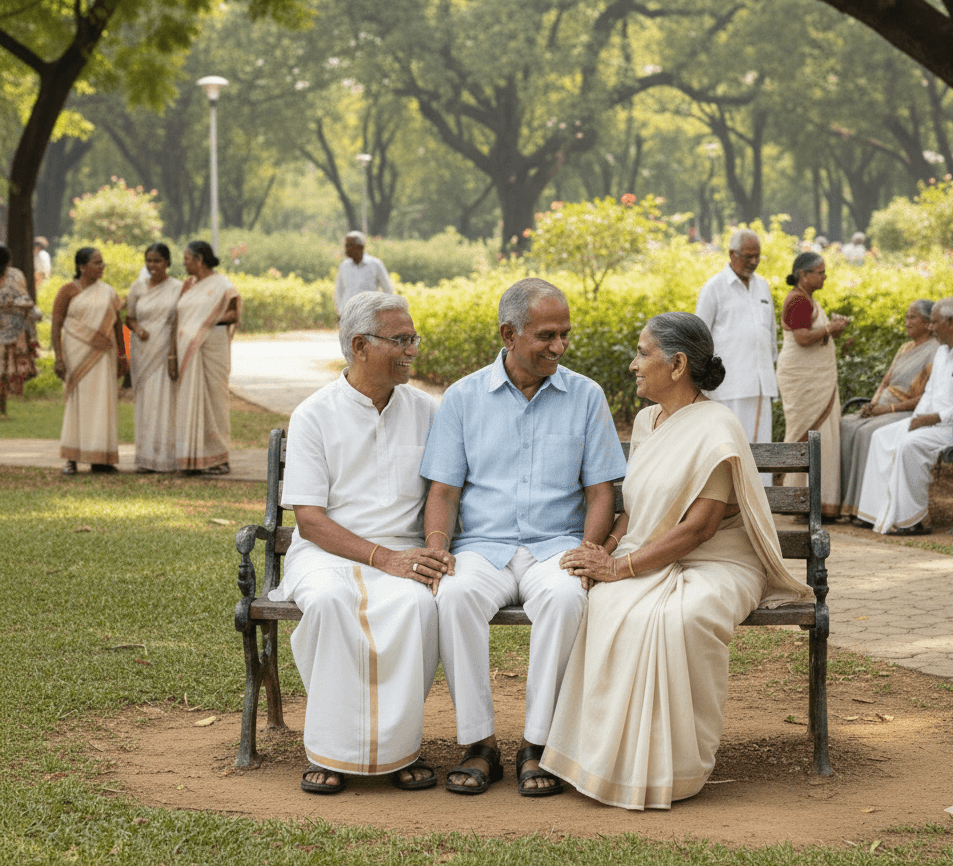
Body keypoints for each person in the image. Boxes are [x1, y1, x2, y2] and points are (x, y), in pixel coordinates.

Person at [541, 313, 812, 809]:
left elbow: (699, 528)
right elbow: (637, 509)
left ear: (678, 364)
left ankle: (676, 767)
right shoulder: (648, 421)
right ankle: (606, 761)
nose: (632, 364)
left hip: (720, 563)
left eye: (643, 353)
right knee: (605, 607)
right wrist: (608, 546)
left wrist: (622, 568)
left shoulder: (717, 427)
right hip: (650, 556)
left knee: (677, 618)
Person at [420, 278, 627, 797]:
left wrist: (587, 549)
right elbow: (443, 490)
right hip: (482, 549)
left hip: (555, 546)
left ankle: (538, 746)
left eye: (565, 335)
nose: (559, 347)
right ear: (509, 334)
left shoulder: (585, 395)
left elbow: (603, 492)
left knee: (563, 597)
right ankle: (480, 744)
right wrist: (439, 548)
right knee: (457, 594)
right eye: (546, 336)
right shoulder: (464, 397)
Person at [268, 292, 448, 794]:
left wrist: (424, 548)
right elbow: (309, 521)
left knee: (417, 607)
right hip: (326, 553)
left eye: (413, 338)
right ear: (360, 345)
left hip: (403, 552)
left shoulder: (425, 411)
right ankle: (331, 751)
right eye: (400, 340)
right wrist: (383, 558)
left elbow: (443, 492)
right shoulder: (314, 414)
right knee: (327, 604)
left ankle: (398, 751)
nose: (412, 349)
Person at [856, 298, 953, 535]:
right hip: (938, 424)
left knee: (911, 444)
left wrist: (936, 417)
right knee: (881, 436)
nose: (930, 328)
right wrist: (919, 418)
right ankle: (874, 513)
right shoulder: (943, 352)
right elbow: (931, 392)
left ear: (951, 322)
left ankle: (913, 520)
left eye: (934, 322)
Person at [839, 300, 939, 518]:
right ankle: (839, 502)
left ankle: (861, 507)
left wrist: (887, 409)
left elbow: (926, 397)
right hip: (882, 407)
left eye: (913, 317)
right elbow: (885, 382)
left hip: (905, 410)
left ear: (928, 322)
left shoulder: (936, 351)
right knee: (843, 425)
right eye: (906, 317)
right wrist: (873, 404)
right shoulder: (905, 348)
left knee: (867, 433)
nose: (907, 322)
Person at [695, 228, 778, 482]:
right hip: (728, 388)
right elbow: (700, 337)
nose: (753, 262)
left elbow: (772, 335)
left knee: (760, 453)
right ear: (732, 254)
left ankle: (759, 511)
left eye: (757, 256)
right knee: (728, 452)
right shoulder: (714, 288)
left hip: (761, 386)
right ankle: (729, 516)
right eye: (748, 256)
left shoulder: (762, 286)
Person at [775, 253, 849, 517]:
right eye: (819, 271)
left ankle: (816, 502)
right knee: (805, 432)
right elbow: (803, 338)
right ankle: (799, 500)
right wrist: (830, 329)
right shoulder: (798, 301)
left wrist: (833, 331)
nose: (824, 276)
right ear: (803, 275)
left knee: (822, 432)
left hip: (813, 376)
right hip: (802, 377)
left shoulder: (807, 300)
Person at [52, 248, 128, 474]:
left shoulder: (108, 292)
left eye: (102, 262)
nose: (102, 266)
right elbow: (56, 325)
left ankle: (101, 458)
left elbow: (117, 324)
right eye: (96, 263)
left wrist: (123, 354)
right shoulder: (67, 291)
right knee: (77, 403)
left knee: (103, 403)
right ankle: (72, 459)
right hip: (77, 354)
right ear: (82, 267)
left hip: (104, 355)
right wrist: (58, 357)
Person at [168, 241, 240, 475]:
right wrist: (172, 352)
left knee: (214, 402)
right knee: (188, 399)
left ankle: (218, 459)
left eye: (187, 258)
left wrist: (206, 322)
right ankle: (191, 457)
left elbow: (233, 313)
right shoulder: (188, 285)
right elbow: (178, 317)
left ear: (199, 259)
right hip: (187, 350)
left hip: (211, 349)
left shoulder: (222, 284)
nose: (184, 262)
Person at [124, 244, 182, 473]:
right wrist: (137, 329)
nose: (152, 265)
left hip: (166, 350)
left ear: (167, 262)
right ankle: (145, 458)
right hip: (143, 350)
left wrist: (174, 351)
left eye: (157, 261)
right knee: (146, 403)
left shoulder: (177, 287)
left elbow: (180, 318)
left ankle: (166, 458)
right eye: (148, 261)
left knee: (166, 402)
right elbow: (129, 317)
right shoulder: (137, 287)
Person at [0, 243, 40, 418]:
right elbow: (23, 299)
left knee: (4, 371)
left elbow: (23, 300)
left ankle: (2, 409)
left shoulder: (15, 275)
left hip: (11, 330)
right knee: (4, 371)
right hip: (13, 330)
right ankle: (2, 409)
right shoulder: (17, 275)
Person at [333, 231, 393, 318]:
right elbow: (339, 291)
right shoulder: (344, 266)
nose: (346, 249)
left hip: (370, 316)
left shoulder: (375, 264)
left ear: (360, 247)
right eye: (346, 245)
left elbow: (388, 290)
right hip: (348, 315)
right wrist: (340, 311)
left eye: (349, 245)